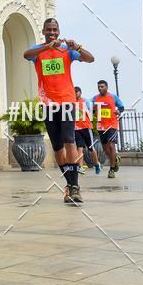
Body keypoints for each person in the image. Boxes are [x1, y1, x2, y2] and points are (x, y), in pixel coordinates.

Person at [24, 18, 94, 204]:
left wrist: (77, 47)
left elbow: (90, 58)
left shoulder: (67, 50)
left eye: (55, 29)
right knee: (57, 147)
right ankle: (69, 184)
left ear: (59, 30)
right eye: (49, 30)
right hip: (48, 104)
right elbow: (26, 54)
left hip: (66, 102)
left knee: (69, 141)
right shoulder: (38, 51)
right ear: (43, 31)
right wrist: (47, 47)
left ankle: (75, 186)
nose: (52, 32)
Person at [92, 80, 124, 179]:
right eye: (99, 87)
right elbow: (91, 109)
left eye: (102, 86)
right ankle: (115, 159)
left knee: (111, 145)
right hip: (101, 125)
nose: (100, 88)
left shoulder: (113, 97)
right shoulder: (95, 98)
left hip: (112, 125)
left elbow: (122, 107)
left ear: (106, 87)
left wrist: (118, 111)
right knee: (105, 149)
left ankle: (111, 169)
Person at [74, 86, 101, 175]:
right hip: (76, 128)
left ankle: (97, 164)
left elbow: (91, 112)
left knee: (91, 148)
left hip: (86, 127)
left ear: (80, 93)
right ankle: (80, 167)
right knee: (79, 148)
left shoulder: (85, 101)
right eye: (74, 92)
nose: (75, 93)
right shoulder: (71, 102)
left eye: (77, 92)